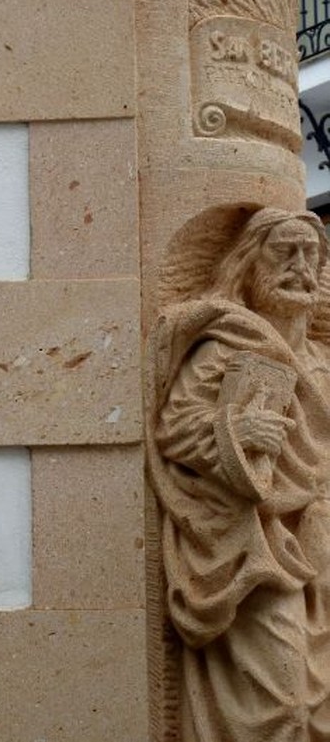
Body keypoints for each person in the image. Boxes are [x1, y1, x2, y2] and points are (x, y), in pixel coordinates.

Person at [149, 207, 330, 742]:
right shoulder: (228, 348)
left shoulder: (322, 360)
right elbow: (175, 428)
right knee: (283, 703)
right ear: (250, 262)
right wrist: (238, 431)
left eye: (312, 254)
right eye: (285, 251)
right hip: (257, 544)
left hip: (320, 541)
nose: (301, 266)